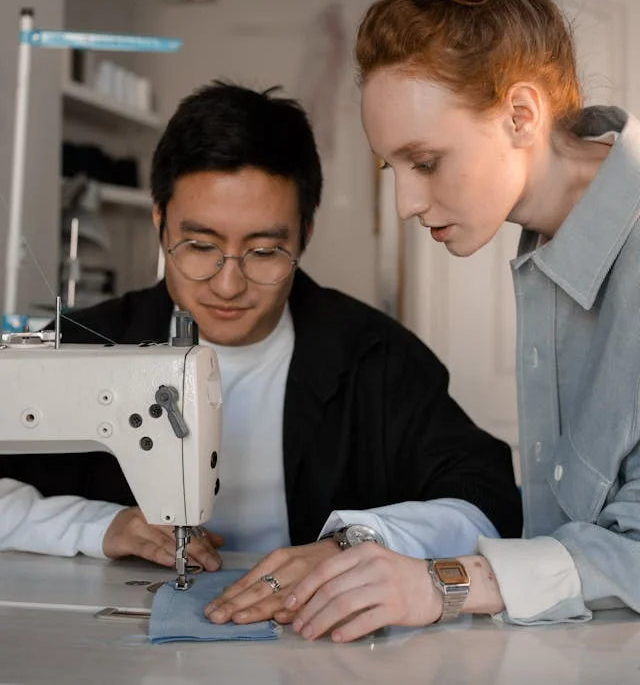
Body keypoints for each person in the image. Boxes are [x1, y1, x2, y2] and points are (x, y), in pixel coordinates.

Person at [237, 0, 640, 643]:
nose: (406, 204)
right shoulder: (549, 247)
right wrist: (376, 545)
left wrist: (445, 582)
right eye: (393, 168)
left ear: (520, 115)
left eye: (425, 161)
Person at [0, 81, 520, 600]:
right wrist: (94, 527)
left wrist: (355, 543)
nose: (228, 284)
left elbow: (487, 501)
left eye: (265, 252)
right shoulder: (80, 347)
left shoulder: (378, 358)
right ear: (160, 223)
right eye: (200, 246)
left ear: (304, 235)